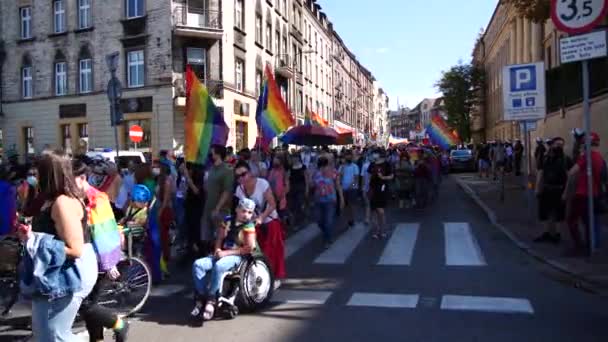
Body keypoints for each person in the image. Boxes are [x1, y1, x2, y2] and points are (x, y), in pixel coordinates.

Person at [16, 149, 98, 341]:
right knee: (47, 334)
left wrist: (35, 241)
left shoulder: (63, 202)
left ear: (48, 173)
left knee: (53, 336)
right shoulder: (51, 198)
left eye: (37, 171)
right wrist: (30, 237)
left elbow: (75, 249)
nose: (33, 175)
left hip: (70, 273)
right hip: (58, 272)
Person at [72, 158, 130, 342]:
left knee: (86, 304)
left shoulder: (96, 198)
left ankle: (119, 324)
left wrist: (108, 263)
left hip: (98, 260)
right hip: (86, 259)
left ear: (82, 178)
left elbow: (105, 233)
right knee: (91, 303)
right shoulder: (78, 198)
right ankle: (96, 338)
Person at [191, 198, 260, 322]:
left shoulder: (249, 226)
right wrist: (217, 249)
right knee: (198, 265)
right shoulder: (227, 220)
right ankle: (201, 296)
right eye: (244, 211)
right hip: (223, 253)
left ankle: (212, 298)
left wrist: (225, 253)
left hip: (238, 256)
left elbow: (249, 248)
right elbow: (219, 237)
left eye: (250, 212)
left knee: (219, 266)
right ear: (237, 209)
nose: (246, 215)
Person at [234, 161, 285, 288]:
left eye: (243, 174)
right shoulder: (239, 189)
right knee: (255, 252)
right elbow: (239, 208)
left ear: (250, 173)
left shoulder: (262, 183)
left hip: (269, 221)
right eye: (238, 176)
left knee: (271, 251)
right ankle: (257, 278)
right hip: (252, 225)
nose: (241, 178)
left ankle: (274, 278)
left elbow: (272, 203)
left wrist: (262, 217)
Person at [534, 137, 572, 245]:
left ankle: (557, 235)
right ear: (552, 145)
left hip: (559, 189)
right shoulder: (545, 158)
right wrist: (537, 187)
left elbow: (569, 176)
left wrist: (566, 192)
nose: (559, 146)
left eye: (561, 144)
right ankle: (546, 233)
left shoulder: (566, 159)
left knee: (559, 214)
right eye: (557, 144)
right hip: (546, 189)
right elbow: (540, 173)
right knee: (544, 213)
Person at [201, 145, 235, 254]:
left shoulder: (227, 170)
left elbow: (226, 191)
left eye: (212, 152)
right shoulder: (210, 169)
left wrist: (217, 208)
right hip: (207, 208)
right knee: (207, 238)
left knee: (219, 239)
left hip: (220, 210)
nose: (210, 155)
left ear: (218, 154)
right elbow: (207, 187)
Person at [312, 156, 344, 248]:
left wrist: (341, 198)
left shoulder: (334, 172)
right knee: (319, 221)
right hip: (318, 200)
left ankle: (327, 238)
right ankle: (326, 233)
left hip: (330, 200)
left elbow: (338, 186)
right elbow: (312, 185)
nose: (324, 168)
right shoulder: (316, 173)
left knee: (328, 221)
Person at [368, 150, 394, 239]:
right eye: (373, 154)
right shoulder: (372, 164)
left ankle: (383, 229)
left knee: (381, 211)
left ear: (380, 155)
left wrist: (383, 177)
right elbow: (368, 175)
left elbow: (391, 176)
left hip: (382, 189)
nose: (374, 155)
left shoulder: (387, 164)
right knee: (374, 211)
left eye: (375, 153)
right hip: (372, 189)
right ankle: (376, 230)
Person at [339, 150, 360, 228]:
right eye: (346, 155)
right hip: (343, 189)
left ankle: (351, 219)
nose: (348, 157)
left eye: (349, 155)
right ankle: (346, 219)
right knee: (345, 205)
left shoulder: (355, 166)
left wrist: (352, 186)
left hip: (352, 189)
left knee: (351, 205)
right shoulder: (342, 167)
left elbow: (356, 179)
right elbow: (339, 177)